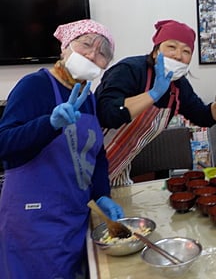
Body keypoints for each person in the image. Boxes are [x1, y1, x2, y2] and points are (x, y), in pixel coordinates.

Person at [0, 19, 125, 278]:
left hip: (74, 216)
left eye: (102, 53)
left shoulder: (87, 97)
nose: (92, 55)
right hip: (34, 223)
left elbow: (97, 154)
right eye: (86, 45)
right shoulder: (35, 86)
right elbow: (5, 144)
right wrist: (49, 123)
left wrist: (102, 194)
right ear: (65, 48)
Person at [95, 19, 216, 185]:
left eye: (186, 51)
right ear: (156, 50)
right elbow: (107, 113)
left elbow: (204, 117)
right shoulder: (129, 70)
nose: (178, 55)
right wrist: (153, 94)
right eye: (171, 47)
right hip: (85, 157)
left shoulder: (178, 87)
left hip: (119, 168)